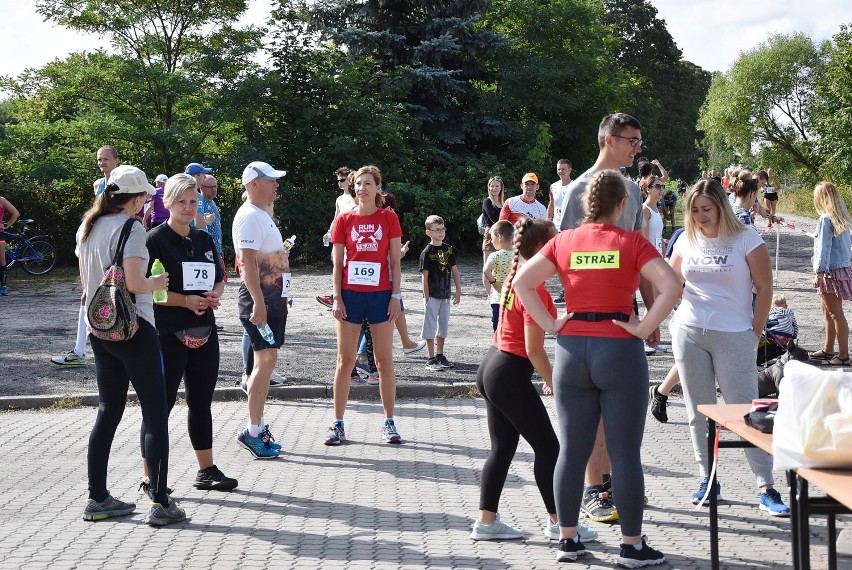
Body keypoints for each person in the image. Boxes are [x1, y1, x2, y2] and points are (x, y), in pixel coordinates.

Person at [513, 169, 680, 566]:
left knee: (571, 451)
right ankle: (632, 546)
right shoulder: (632, 241)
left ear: (588, 203)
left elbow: (521, 281)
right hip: (619, 348)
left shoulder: (564, 240)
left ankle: (568, 541)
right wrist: (644, 326)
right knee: (624, 455)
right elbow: (672, 286)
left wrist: (552, 324)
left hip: (572, 349)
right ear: (622, 204)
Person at [470, 217, 598, 545]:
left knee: (504, 447)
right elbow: (533, 348)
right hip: (509, 373)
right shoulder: (535, 287)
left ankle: (486, 522)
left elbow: (533, 329)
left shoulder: (516, 275)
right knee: (550, 449)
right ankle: (560, 523)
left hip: (492, 368)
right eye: (555, 244)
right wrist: (553, 381)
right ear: (542, 248)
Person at [555, 113, 656, 524]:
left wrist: (650, 317)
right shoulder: (577, 189)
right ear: (609, 140)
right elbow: (559, 253)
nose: (638, 148)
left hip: (624, 316)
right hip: (586, 323)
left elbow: (643, 258)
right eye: (633, 140)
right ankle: (594, 489)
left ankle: (613, 485)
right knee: (590, 415)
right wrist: (559, 315)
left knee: (620, 413)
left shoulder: (631, 189)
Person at [669, 178, 790, 517]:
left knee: (746, 410)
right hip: (690, 333)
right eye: (693, 210)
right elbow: (669, 281)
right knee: (698, 411)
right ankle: (708, 479)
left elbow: (764, 288)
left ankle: (766, 485)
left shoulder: (746, 238)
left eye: (706, 209)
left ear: (721, 206)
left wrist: (754, 331)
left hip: (735, 335)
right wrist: (665, 320)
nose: (700, 216)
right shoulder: (686, 239)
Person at [77, 164, 185, 525]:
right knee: (155, 412)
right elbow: (137, 284)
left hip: (101, 331)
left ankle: (97, 497)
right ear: (137, 199)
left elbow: (85, 290)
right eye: (144, 199)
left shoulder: (88, 227)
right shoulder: (132, 228)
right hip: (134, 329)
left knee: (108, 411)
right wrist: (160, 283)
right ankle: (160, 501)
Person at [144, 173, 237, 491]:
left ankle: (206, 470)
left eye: (193, 201)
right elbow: (147, 291)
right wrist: (185, 300)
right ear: (167, 202)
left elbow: (220, 277)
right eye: (181, 201)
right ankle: (150, 476)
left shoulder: (204, 239)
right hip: (168, 332)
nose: (187, 207)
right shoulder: (153, 240)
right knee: (162, 404)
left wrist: (214, 294)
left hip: (204, 331)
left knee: (201, 402)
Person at [325, 165, 404, 446]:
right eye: (358, 184)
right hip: (351, 295)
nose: (362, 188)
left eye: (368, 183)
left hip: (381, 295)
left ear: (378, 187)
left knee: (383, 362)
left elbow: (395, 262)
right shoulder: (344, 220)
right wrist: (337, 297)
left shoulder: (388, 218)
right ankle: (337, 424)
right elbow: (337, 263)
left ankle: (389, 422)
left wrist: (396, 296)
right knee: (345, 362)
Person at [232, 161, 290, 459]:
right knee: (264, 363)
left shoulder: (260, 214)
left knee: (267, 363)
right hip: (261, 300)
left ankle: (259, 427)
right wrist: (258, 301)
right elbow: (247, 263)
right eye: (271, 181)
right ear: (254, 184)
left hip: (272, 298)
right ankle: (253, 431)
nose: (276, 185)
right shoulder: (250, 217)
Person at [52, 145, 121, 366]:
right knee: (87, 296)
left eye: (106, 159)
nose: (102, 163)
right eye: (99, 160)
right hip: (97, 241)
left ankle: (122, 350)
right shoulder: (99, 184)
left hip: (115, 242)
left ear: (117, 160)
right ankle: (80, 351)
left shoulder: (124, 181)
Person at [808, 181, 852, 366]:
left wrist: (819, 272)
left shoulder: (825, 220)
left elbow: (824, 249)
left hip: (829, 272)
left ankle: (843, 355)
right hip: (839, 269)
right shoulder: (841, 218)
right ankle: (828, 349)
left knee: (836, 314)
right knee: (828, 312)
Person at [420, 215, 462, 371]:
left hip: (445, 294)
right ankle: (430, 358)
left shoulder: (448, 249)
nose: (440, 232)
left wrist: (458, 291)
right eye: (436, 230)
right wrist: (426, 297)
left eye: (442, 229)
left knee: (443, 326)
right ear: (428, 232)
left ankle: (440, 354)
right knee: (430, 326)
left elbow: (455, 271)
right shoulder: (427, 252)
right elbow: (424, 276)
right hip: (432, 295)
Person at [317, 167, 355, 307]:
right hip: (339, 237)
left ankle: (340, 296)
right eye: (338, 180)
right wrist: (329, 232)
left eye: (342, 180)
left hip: (352, 237)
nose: (339, 182)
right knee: (337, 264)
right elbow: (336, 218)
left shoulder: (356, 196)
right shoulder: (339, 199)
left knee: (347, 266)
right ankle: (337, 295)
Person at [482, 220, 514, 331]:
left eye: (492, 237)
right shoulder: (519, 254)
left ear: (499, 236)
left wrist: (494, 283)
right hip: (514, 297)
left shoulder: (494, 255)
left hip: (498, 298)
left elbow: (486, 270)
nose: (491, 241)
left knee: (498, 329)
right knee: (511, 327)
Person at [480, 176, 504, 264]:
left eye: (497, 186)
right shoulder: (487, 201)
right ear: (489, 187)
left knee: (500, 265)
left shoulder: (503, 203)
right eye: (492, 186)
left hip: (502, 235)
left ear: (501, 188)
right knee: (488, 266)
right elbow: (493, 218)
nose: (494, 188)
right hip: (490, 233)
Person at [0, 195, 20, 296]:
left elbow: (15, 213)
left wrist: (6, 225)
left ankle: (3, 287)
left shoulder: (1, 200)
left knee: (2, 260)